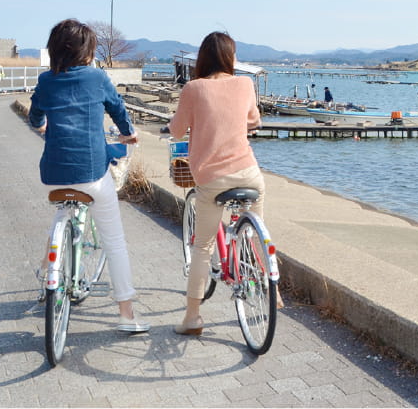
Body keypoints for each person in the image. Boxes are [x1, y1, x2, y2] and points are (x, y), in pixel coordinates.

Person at [28, 19, 149, 333]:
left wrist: (43, 127)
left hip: (52, 175)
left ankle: (49, 268)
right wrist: (129, 134)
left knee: (62, 213)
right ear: (88, 51)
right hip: (92, 174)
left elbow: (35, 116)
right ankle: (126, 313)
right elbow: (118, 110)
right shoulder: (96, 77)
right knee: (115, 241)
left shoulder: (45, 80)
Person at [168, 31, 271, 336]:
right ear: (230, 57)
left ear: (202, 58)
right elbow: (254, 121)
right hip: (249, 172)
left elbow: (176, 131)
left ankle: (192, 318)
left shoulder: (193, 88)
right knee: (256, 235)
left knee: (202, 246)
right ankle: (272, 290)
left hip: (211, 179)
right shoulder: (245, 84)